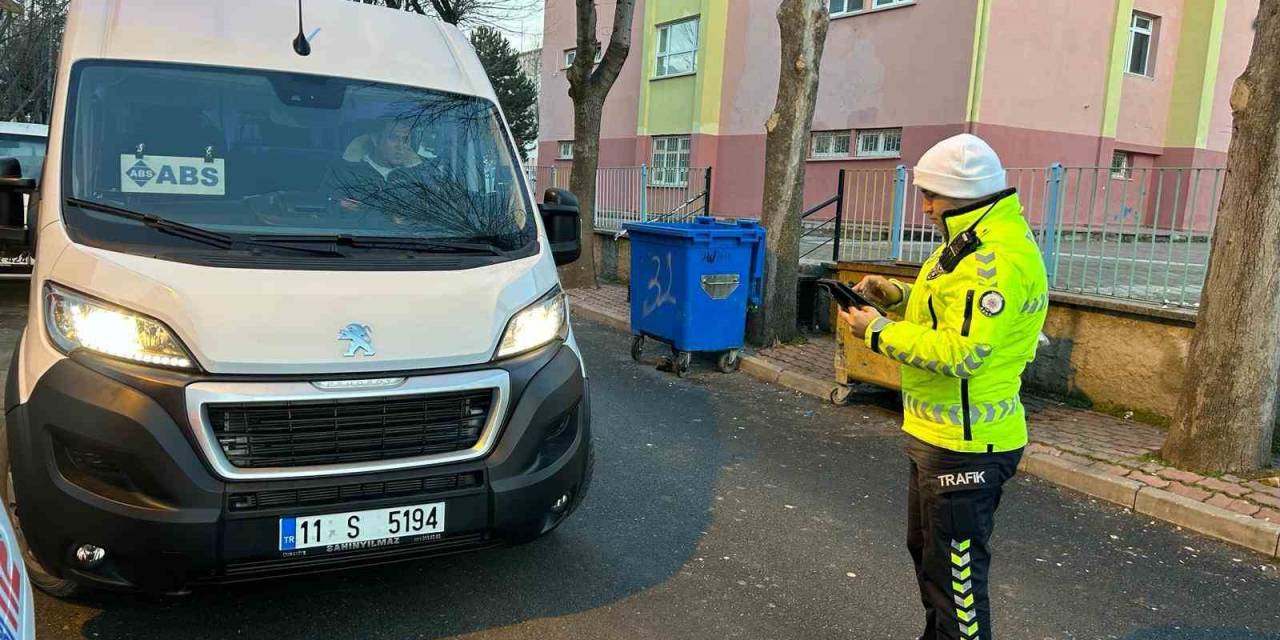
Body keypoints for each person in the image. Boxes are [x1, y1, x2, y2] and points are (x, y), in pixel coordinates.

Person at [840, 134, 1049, 640]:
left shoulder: (994, 260)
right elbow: (949, 315)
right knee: (931, 561)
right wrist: (895, 295)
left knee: (958, 587)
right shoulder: (964, 244)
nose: (926, 206)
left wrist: (875, 330)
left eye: (931, 195)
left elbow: (964, 352)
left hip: (968, 448)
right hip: (937, 439)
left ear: (961, 193)